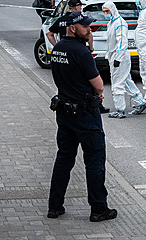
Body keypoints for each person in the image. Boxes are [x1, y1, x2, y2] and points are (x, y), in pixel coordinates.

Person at [47, 11, 118, 222]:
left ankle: (54, 206)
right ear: (72, 28)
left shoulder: (58, 49)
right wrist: (99, 92)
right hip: (85, 114)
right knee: (94, 161)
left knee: (64, 159)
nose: (89, 30)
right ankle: (98, 208)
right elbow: (97, 83)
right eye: (85, 27)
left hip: (64, 113)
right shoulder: (81, 52)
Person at [102, 1, 146, 118]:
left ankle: (120, 109)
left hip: (119, 56)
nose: (106, 14)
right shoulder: (111, 23)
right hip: (116, 56)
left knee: (117, 83)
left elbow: (122, 41)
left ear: (113, 9)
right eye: (104, 11)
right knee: (125, 80)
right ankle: (140, 102)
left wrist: (118, 58)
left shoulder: (120, 23)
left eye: (107, 11)